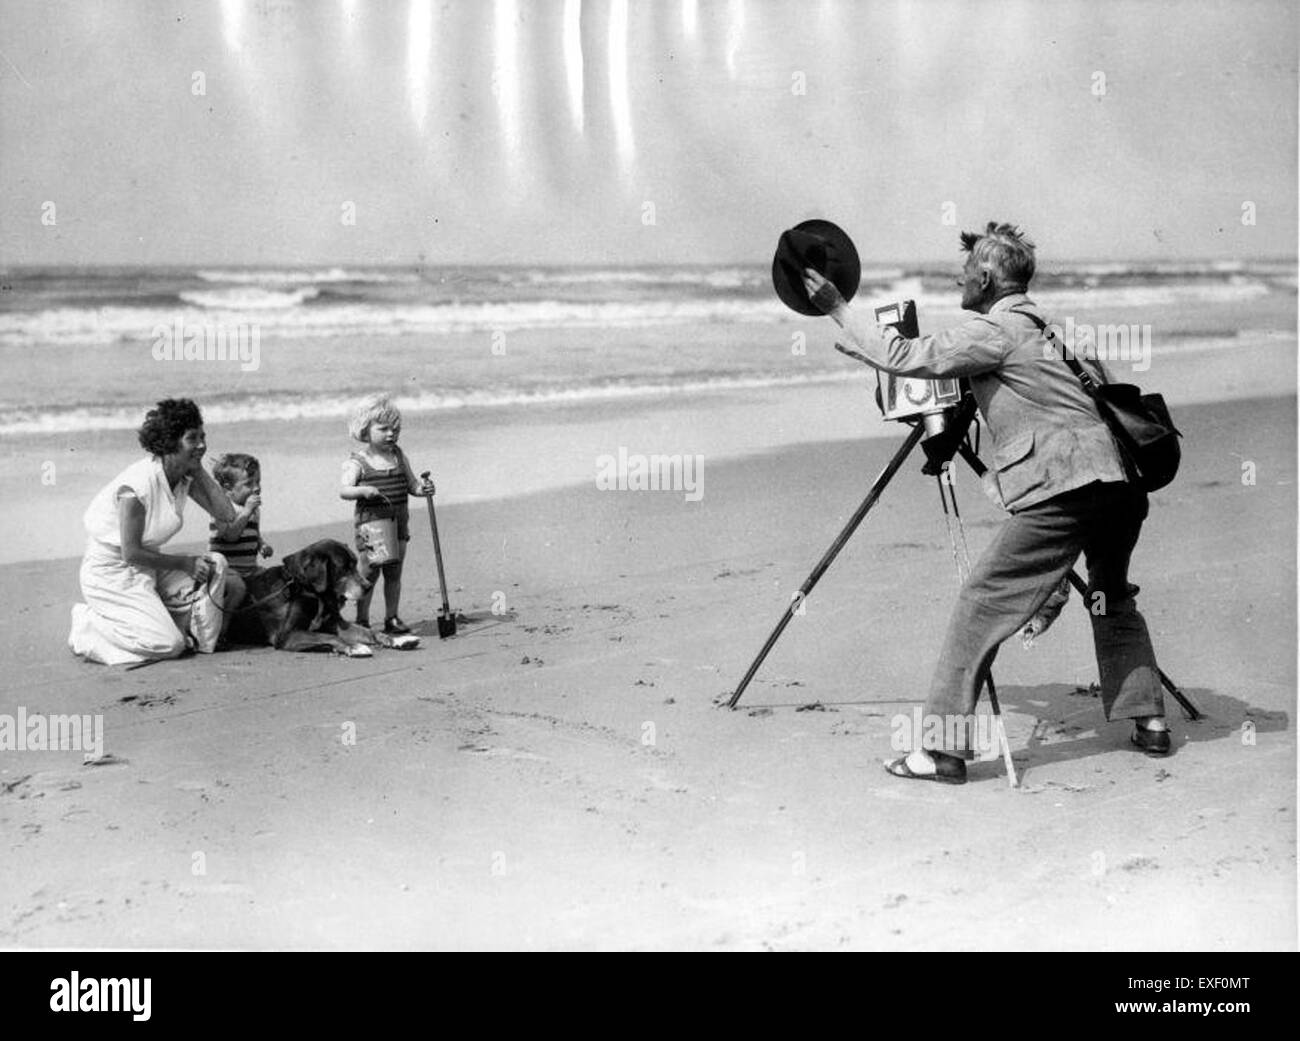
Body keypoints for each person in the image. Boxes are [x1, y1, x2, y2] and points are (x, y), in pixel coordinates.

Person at [802, 222, 1169, 783]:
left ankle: (942, 752)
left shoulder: (994, 331)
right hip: (1120, 486)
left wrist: (837, 307)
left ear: (989, 276)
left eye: (967, 271)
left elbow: (904, 353)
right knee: (1110, 596)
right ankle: (1150, 721)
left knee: (979, 605)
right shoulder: (1060, 328)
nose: (959, 279)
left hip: (1064, 488)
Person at [68, 399, 246, 665]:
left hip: (149, 565)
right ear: (170, 442)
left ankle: (186, 631)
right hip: (111, 574)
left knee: (217, 564)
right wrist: (185, 564)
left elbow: (226, 514)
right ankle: (87, 625)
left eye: (203, 437)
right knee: (169, 644)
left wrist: (197, 467)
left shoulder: (184, 476)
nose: (202, 445)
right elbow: (130, 553)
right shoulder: (138, 486)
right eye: (192, 439)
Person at [340, 393, 434, 633]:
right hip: (371, 525)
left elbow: (412, 485)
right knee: (369, 572)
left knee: (394, 572)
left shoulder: (399, 456)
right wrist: (363, 490)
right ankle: (362, 620)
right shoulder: (359, 461)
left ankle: (392, 617)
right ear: (365, 430)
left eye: (395, 429)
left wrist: (423, 490)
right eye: (383, 429)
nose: (391, 434)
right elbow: (344, 490)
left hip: (399, 524)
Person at [208, 453, 275, 577]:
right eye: (248, 484)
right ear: (228, 489)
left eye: (258, 482)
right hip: (226, 571)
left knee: (274, 578)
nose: (256, 488)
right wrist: (246, 512)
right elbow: (230, 536)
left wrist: (262, 545)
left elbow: (254, 534)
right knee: (239, 589)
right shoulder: (222, 509)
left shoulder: (253, 510)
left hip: (249, 570)